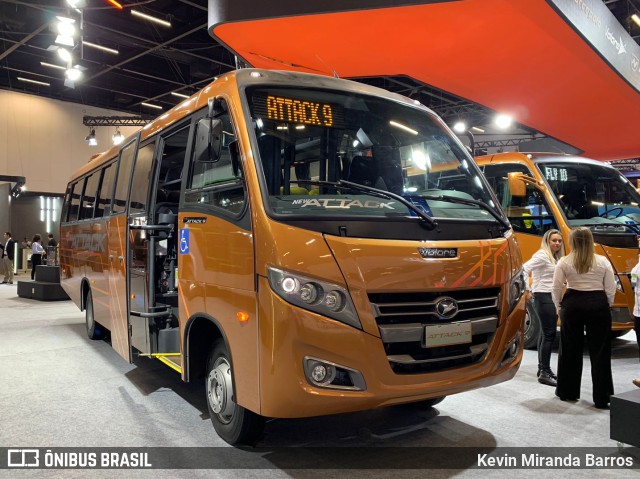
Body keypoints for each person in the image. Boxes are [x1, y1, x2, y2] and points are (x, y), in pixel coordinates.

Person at [551, 227, 616, 409]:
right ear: (591, 241)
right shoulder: (603, 261)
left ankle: (567, 392)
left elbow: (556, 288)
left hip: (573, 304)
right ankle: (602, 398)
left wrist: (558, 306)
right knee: (601, 351)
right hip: (598, 303)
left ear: (572, 241)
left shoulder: (564, 261)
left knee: (570, 349)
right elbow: (610, 288)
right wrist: (605, 305)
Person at [523, 229, 564, 386]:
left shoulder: (554, 257)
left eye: (559, 241)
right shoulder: (542, 255)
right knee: (549, 334)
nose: (557, 243)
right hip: (543, 296)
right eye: (554, 240)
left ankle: (543, 369)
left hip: (550, 297)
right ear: (547, 241)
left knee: (544, 334)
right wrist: (527, 289)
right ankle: (545, 372)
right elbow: (524, 268)